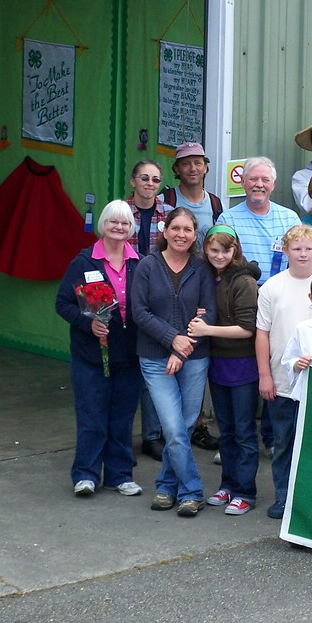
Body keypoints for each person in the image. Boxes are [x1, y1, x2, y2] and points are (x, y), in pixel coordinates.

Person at [132, 207, 217, 517]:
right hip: (155, 360)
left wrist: (181, 351)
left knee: (183, 426)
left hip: (194, 358)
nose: (181, 234)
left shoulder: (202, 268)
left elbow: (207, 313)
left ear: (195, 236)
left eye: (188, 230)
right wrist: (172, 340)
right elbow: (140, 312)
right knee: (173, 427)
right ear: (165, 231)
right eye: (176, 228)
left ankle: (167, 486)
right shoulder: (147, 265)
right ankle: (192, 491)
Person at [55, 199, 143, 498]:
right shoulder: (83, 262)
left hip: (129, 355)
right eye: (113, 222)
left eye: (125, 223)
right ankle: (85, 474)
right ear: (103, 225)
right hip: (91, 356)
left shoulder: (140, 263)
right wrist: (88, 323)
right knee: (92, 416)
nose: (119, 227)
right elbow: (63, 303)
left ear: (131, 228)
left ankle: (120, 475)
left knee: (122, 418)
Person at [186, 225, 260, 517]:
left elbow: (247, 328)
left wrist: (207, 329)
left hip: (242, 364)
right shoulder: (207, 277)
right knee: (225, 430)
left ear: (235, 250)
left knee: (244, 431)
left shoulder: (244, 282)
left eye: (226, 250)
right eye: (214, 250)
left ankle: (246, 491)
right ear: (205, 249)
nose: (219, 255)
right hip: (217, 363)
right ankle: (228, 484)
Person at [255, 225, 312, 519]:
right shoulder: (272, 287)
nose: (302, 254)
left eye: (308, 249)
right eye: (296, 249)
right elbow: (262, 333)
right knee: (283, 442)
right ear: (286, 251)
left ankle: (309, 499)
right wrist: (265, 375)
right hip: (283, 382)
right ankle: (283, 496)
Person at [125, 159, 168, 461]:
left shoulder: (169, 213)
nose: (150, 184)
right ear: (133, 182)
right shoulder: (121, 212)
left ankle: (152, 436)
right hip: (125, 294)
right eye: (144, 178)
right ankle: (120, 437)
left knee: (153, 370)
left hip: (158, 297)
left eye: (155, 179)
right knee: (128, 371)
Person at [220, 156, 301, 286]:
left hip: (280, 290)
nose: (259, 184)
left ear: (273, 184)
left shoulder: (290, 219)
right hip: (240, 291)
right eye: (253, 179)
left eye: (265, 180)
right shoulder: (227, 220)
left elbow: (301, 259)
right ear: (242, 182)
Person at [161, 142, 224, 243]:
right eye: (186, 164)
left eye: (197, 163)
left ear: (205, 167)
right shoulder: (163, 201)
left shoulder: (217, 205)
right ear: (177, 169)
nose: (192, 169)